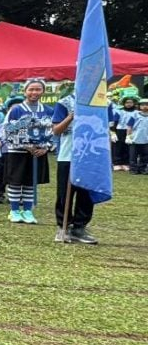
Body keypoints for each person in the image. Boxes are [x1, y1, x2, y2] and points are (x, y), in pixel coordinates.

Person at [50, 92, 97, 243]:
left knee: (86, 193)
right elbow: (56, 130)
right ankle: (63, 226)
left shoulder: (100, 101)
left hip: (91, 155)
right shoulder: (64, 102)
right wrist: (71, 117)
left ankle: (79, 227)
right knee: (65, 193)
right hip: (68, 155)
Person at [4, 79, 52, 224]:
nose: (34, 92)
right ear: (25, 91)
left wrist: (46, 147)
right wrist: (25, 145)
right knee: (16, 182)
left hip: (38, 152)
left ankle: (28, 211)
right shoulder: (16, 110)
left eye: (38, 89)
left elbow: (54, 131)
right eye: (31, 89)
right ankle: (14, 210)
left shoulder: (48, 110)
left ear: (43, 91)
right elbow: (8, 130)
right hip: (18, 152)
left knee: (31, 182)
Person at [112, 96, 137, 170]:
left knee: (128, 147)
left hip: (131, 131)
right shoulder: (119, 111)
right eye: (127, 102)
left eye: (130, 102)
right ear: (124, 103)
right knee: (118, 146)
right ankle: (117, 163)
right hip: (120, 130)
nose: (129, 104)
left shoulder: (136, 113)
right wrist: (113, 132)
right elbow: (114, 122)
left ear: (133, 103)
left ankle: (126, 163)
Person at [126, 97, 148, 174]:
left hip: (146, 139)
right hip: (134, 139)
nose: (145, 106)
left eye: (147, 105)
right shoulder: (135, 115)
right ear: (139, 106)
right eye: (142, 105)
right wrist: (128, 136)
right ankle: (133, 169)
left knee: (145, 155)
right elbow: (129, 126)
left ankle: (143, 168)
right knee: (133, 155)